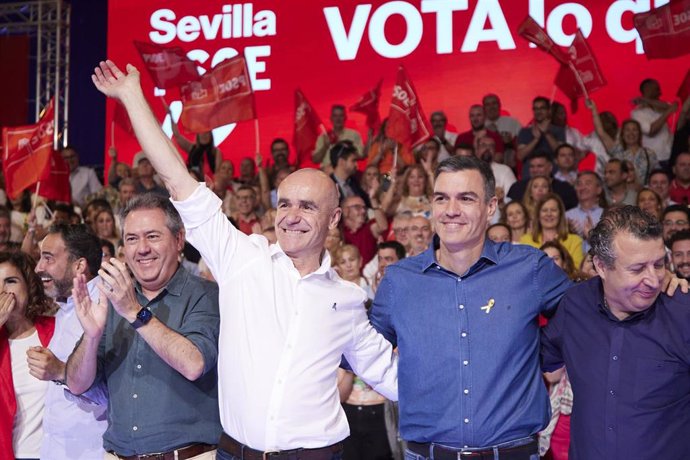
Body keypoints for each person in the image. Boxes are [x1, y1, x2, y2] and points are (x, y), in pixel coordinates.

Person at [91, 60, 398, 459]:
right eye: (285, 203)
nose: (291, 216)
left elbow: (391, 376)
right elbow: (177, 178)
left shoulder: (348, 299)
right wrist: (133, 96)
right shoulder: (242, 258)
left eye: (307, 207)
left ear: (334, 218)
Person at [371, 156, 572, 458]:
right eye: (442, 198)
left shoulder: (528, 268)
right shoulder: (400, 281)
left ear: (490, 207)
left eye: (465, 198)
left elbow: (583, 315)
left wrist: (544, 353)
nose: (451, 211)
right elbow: (365, 350)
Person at [66, 194, 222, 459]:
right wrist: (91, 338)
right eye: (132, 239)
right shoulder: (112, 299)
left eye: (152, 236)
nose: (142, 248)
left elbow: (194, 363)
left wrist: (134, 312)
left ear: (179, 240)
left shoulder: (205, 294)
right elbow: (76, 384)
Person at [541, 206, 690, 459]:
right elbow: (529, 360)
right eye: (638, 269)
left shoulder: (682, 311)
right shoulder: (575, 306)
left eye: (659, 264)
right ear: (600, 266)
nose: (653, 280)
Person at [33, 224, 109, 460]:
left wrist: (61, 372)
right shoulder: (64, 309)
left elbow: (116, 393)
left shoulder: (106, 308)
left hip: (90, 452)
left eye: (48, 258)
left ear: (79, 265)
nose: (39, 268)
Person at [0, 251, 56, 460]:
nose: (2, 290)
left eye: (10, 281)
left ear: (29, 285)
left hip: (57, 452)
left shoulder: (56, 329)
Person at [587, 99, 659, 186]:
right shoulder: (617, 150)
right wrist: (594, 110)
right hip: (622, 196)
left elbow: (656, 177)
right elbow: (601, 133)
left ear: (639, 134)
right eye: (627, 130)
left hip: (642, 196)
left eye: (634, 130)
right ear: (622, 134)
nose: (631, 133)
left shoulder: (650, 154)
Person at [520, 194, 584, 268]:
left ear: (560, 214)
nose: (549, 214)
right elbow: (524, 268)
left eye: (553, 210)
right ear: (538, 215)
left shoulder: (575, 241)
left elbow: (576, 269)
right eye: (544, 210)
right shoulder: (526, 240)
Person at [631, 78, 677, 165]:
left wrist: (645, 99)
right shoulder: (637, 113)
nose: (660, 92)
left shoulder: (660, 107)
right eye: (657, 89)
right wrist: (667, 113)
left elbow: (670, 107)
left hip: (670, 155)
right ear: (647, 89)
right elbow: (651, 131)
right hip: (655, 159)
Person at [313, 104, 365, 170]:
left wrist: (345, 148)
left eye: (341, 115)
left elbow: (361, 155)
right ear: (331, 118)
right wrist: (325, 146)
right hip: (327, 174)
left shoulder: (354, 135)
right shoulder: (323, 137)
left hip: (348, 173)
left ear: (345, 117)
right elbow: (315, 160)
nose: (338, 119)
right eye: (335, 116)